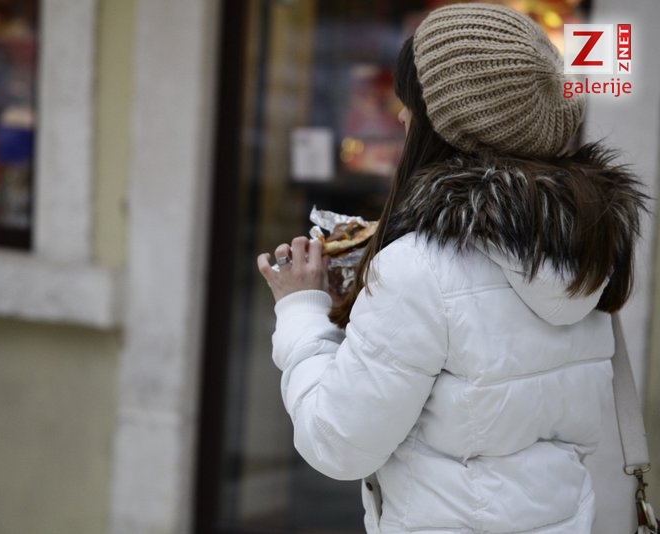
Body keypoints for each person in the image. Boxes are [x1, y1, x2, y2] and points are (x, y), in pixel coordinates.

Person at [256, 3, 647, 533]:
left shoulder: (420, 269)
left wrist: (302, 311)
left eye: (411, 104)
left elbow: (338, 443)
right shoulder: (587, 248)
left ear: (451, 126)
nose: (401, 119)